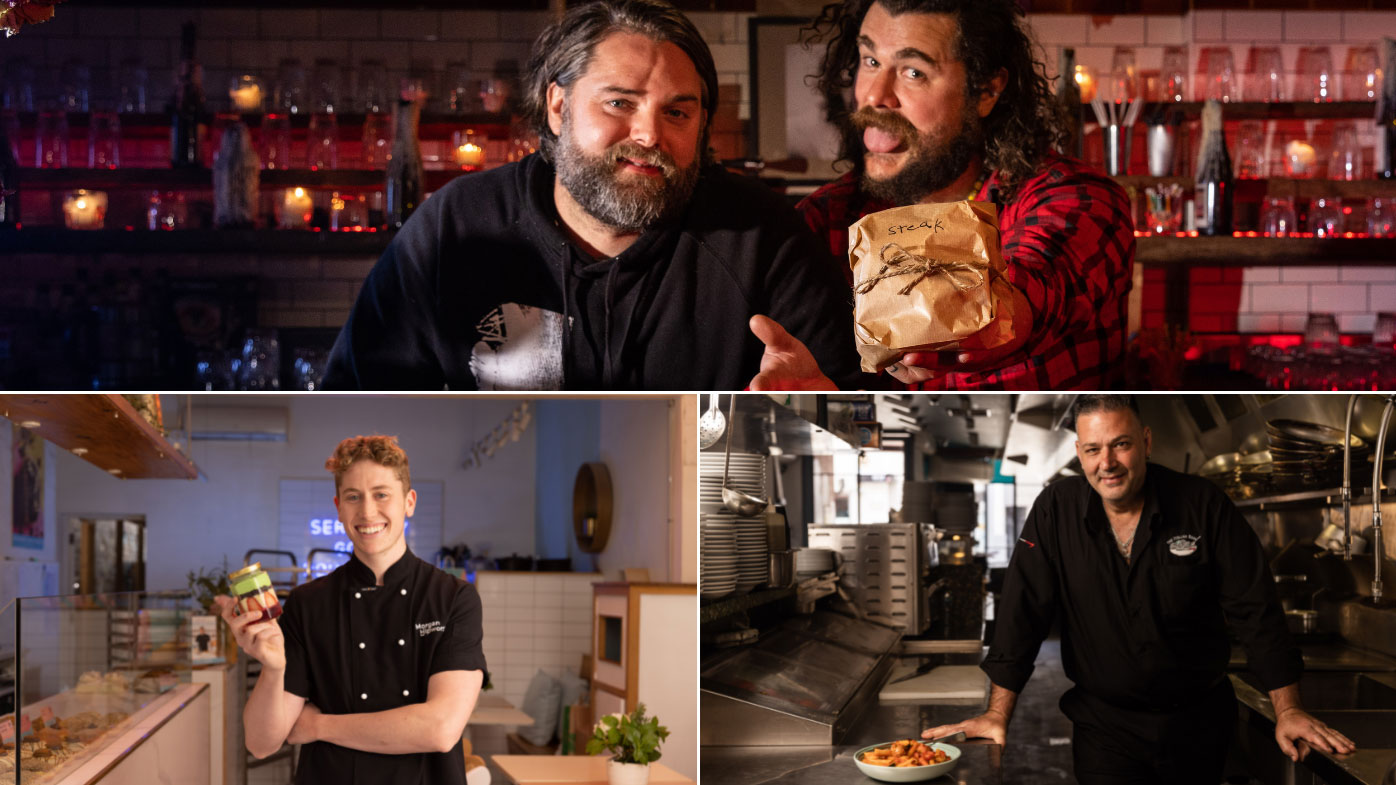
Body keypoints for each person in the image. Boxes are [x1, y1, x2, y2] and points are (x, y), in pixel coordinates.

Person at [322, 0, 859, 391]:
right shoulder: (457, 226)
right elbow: (354, 401)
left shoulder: (765, 238)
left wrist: (817, 412)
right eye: (620, 103)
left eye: (676, 112)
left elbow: (850, 422)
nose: (649, 135)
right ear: (558, 106)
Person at [922, 395, 1356, 784]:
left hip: (1198, 726)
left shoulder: (1202, 504)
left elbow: (1256, 608)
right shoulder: (1056, 510)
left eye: (1121, 444)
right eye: (1093, 449)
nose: (1106, 462)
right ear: (1079, 452)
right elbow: (1023, 612)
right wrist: (998, 713)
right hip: (1104, 730)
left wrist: (1288, 709)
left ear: (1146, 442)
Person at [797, 0, 1134, 389]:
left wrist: (988, 321)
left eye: (913, 72)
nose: (875, 96)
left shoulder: (1077, 198)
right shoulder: (827, 219)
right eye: (870, 61)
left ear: (986, 91)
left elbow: (1041, 284)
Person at [215, 435, 486, 785]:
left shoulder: (453, 598)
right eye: (353, 497)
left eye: (381, 494)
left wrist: (318, 725)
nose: (368, 511)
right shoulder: (307, 603)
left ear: (409, 502)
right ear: (339, 507)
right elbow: (261, 743)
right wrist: (273, 668)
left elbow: (440, 729)